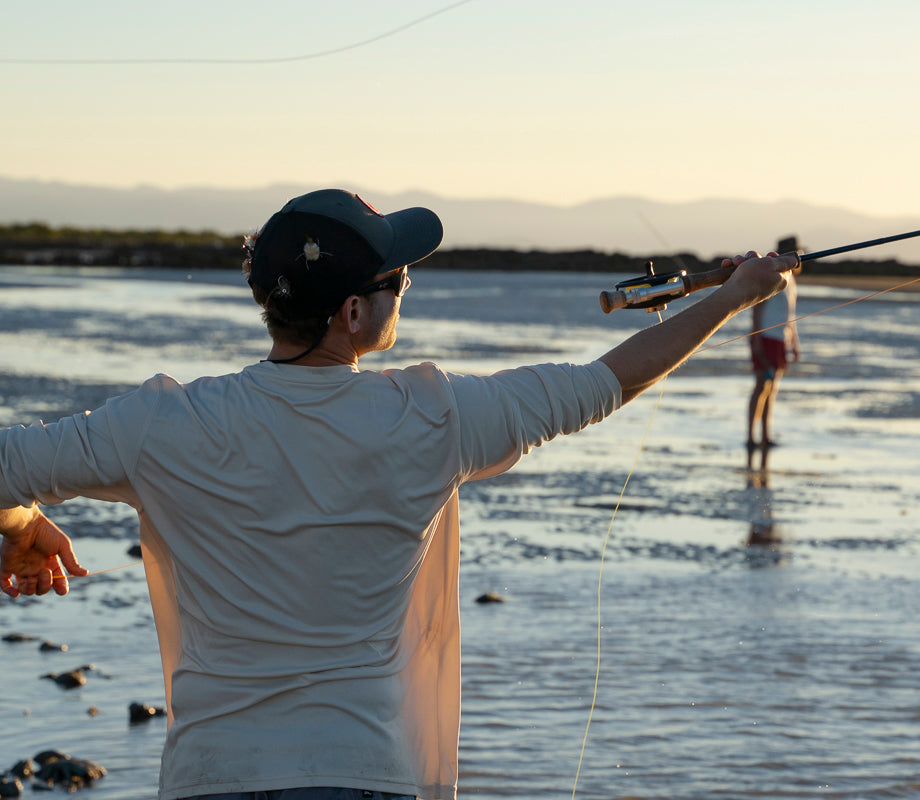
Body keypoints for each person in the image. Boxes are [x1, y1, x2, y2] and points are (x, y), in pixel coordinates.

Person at [0, 188, 795, 800]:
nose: (407, 283)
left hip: (209, 774)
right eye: (396, 276)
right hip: (361, 771)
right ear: (352, 313)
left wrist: (22, 520)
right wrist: (731, 298)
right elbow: (607, 380)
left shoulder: (163, 421)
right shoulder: (432, 413)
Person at [747, 236, 801, 450]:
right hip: (765, 338)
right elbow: (756, 308)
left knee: (772, 388)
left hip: (780, 339)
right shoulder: (772, 275)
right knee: (761, 386)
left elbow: (790, 314)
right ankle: (751, 437)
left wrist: (794, 342)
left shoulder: (792, 279)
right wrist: (756, 340)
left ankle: (766, 436)